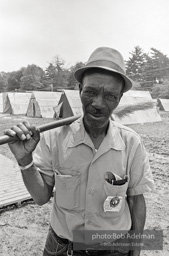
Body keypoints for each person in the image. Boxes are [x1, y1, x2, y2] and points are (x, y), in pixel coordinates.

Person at [4, 47, 155, 256]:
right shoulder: (54, 137)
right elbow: (40, 198)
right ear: (79, 89)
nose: (98, 104)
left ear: (119, 99)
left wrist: (136, 251)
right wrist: (24, 159)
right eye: (91, 92)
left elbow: (136, 199)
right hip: (63, 247)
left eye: (110, 96)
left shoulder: (131, 143)